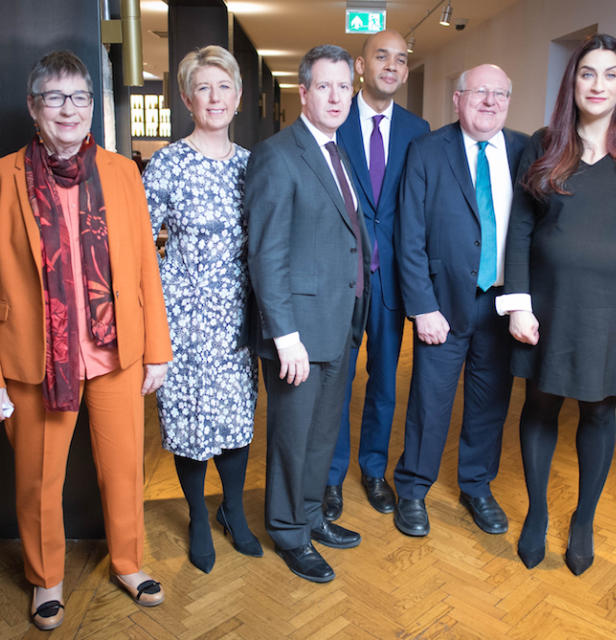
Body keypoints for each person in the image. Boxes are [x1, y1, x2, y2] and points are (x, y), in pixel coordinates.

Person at [0, 50, 172, 631]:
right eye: (55, 97)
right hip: (34, 360)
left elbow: (143, 272)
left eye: (80, 97)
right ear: (34, 107)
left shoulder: (122, 173)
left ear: (93, 107)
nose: (69, 109)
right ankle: (46, 580)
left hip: (114, 353)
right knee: (37, 482)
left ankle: (130, 563)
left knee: (124, 468)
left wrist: (157, 348)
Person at [501, 35, 616, 575]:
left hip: (614, 309)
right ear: (572, 82)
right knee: (541, 404)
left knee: (599, 411)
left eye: (609, 75)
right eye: (586, 74)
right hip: (548, 305)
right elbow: (521, 232)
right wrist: (519, 304)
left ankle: (583, 520)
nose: (596, 85)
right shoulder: (545, 143)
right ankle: (535, 513)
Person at [245, 44, 371, 584]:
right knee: (292, 437)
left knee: (323, 432)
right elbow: (265, 252)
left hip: (339, 322)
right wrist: (285, 335)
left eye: (345, 86)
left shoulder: (337, 152)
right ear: (304, 92)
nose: (337, 96)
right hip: (298, 331)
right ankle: (289, 532)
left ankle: (313, 515)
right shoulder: (278, 154)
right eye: (325, 85)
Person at [393, 64, 527, 538]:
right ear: (458, 98)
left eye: (500, 94)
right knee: (430, 401)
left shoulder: (524, 150)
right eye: (479, 92)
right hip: (444, 305)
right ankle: (411, 488)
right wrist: (422, 305)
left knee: (491, 404)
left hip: (502, 304)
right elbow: (409, 235)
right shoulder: (428, 151)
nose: (489, 102)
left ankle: (476, 486)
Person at [142, 45, 261, 575]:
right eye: (204, 87)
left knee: (235, 418)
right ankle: (196, 515)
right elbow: (140, 242)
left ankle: (233, 510)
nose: (215, 97)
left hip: (238, 312)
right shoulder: (169, 161)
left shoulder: (253, 165)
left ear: (238, 98)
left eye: (224, 87)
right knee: (190, 422)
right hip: (184, 315)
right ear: (189, 98)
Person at [324, 29, 430, 521]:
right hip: (340, 278)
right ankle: (329, 478)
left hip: (392, 282)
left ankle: (372, 469)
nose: (391, 65)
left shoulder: (419, 130)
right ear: (361, 65)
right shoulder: (333, 122)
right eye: (381, 55)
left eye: (401, 59)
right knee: (336, 382)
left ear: (406, 71)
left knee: (384, 382)